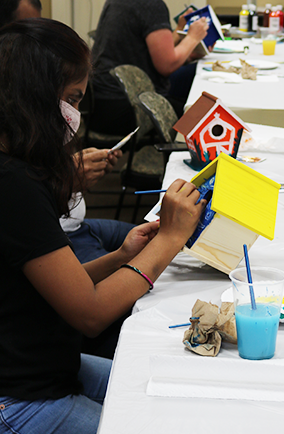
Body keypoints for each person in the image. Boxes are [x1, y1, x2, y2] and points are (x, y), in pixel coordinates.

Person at [0, 18, 206, 434]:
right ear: (37, 97)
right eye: (72, 99)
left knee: (180, 392)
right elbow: (90, 314)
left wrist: (122, 258)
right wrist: (169, 239)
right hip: (22, 397)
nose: (75, 114)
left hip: (48, 366)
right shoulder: (14, 185)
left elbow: (57, 284)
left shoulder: (20, 171)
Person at [90, 0, 209, 135]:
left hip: (101, 106)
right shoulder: (152, 5)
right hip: (128, 109)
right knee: (204, 113)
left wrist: (180, 31)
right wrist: (193, 37)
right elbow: (167, 65)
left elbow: (151, 49)